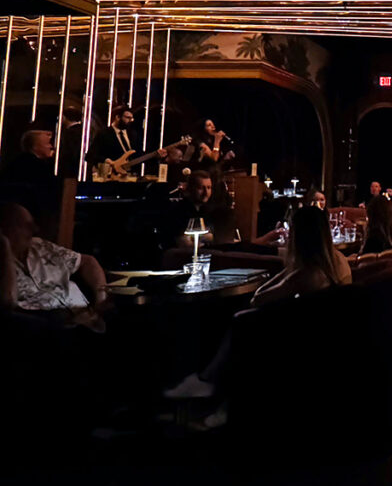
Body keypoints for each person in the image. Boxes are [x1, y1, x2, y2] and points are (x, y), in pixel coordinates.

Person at [164, 206, 351, 416]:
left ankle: (208, 384)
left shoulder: (306, 274)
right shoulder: (339, 263)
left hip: (302, 345)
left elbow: (258, 298)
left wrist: (290, 269)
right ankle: (214, 394)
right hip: (328, 339)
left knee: (242, 321)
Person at [0, 203, 109, 331]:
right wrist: (5, 247)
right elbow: (7, 302)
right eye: (25, 226)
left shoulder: (39, 246)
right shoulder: (3, 264)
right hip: (50, 328)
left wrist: (101, 301)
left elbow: (88, 262)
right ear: (5, 229)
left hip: (88, 316)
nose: (35, 229)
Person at [87, 104, 139, 171]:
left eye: (131, 118)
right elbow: (90, 155)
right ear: (117, 117)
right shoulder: (104, 133)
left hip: (130, 175)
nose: (130, 120)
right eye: (127, 118)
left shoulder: (132, 134)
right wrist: (109, 161)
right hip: (111, 175)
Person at [57, 107, 84, 179]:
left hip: (69, 171)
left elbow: (69, 152)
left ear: (65, 117)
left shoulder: (70, 133)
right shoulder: (82, 131)